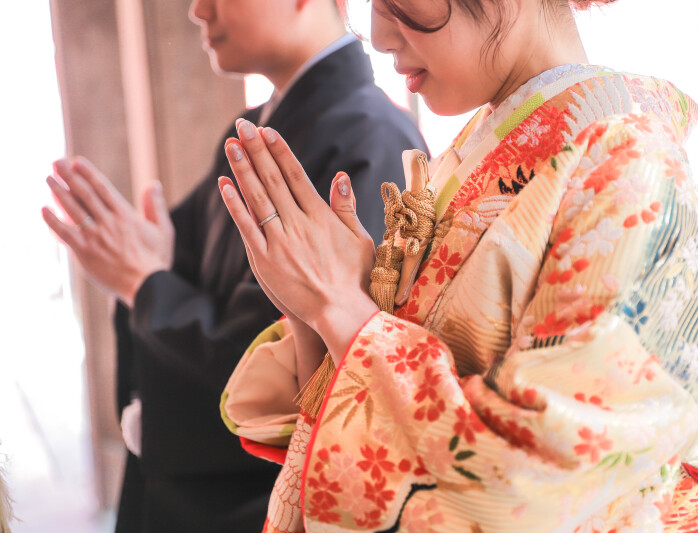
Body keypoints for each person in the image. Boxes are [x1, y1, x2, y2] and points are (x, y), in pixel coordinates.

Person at [219, 0, 698, 530]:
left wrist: (342, 308)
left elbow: (537, 483)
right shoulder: (478, 149)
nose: (377, 32)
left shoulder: (632, 170)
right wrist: (312, 304)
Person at [41, 0, 427, 530]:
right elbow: (175, 270)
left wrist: (144, 283)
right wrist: (147, 272)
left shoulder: (371, 136)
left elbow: (278, 365)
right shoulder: (252, 126)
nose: (198, 11)